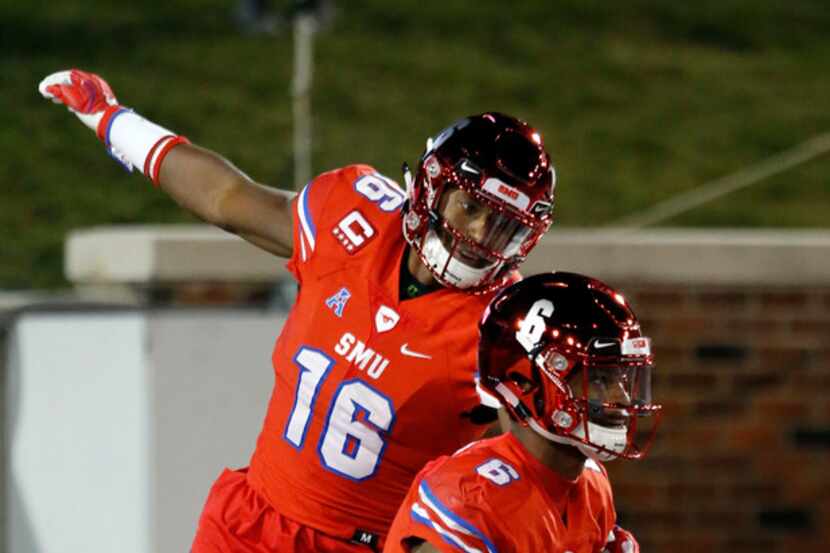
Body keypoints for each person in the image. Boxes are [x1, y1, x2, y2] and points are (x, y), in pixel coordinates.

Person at [39, 69, 557, 552]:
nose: (478, 238)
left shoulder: (507, 327)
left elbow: (544, 467)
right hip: (249, 520)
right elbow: (227, 199)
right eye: (471, 209)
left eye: (503, 226)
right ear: (431, 187)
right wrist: (113, 121)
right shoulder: (355, 218)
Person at [383, 272, 663, 553]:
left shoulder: (592, 483)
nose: (621, 397)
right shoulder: (471, 496)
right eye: (599, 379)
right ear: (524, 384)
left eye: (621, 379)